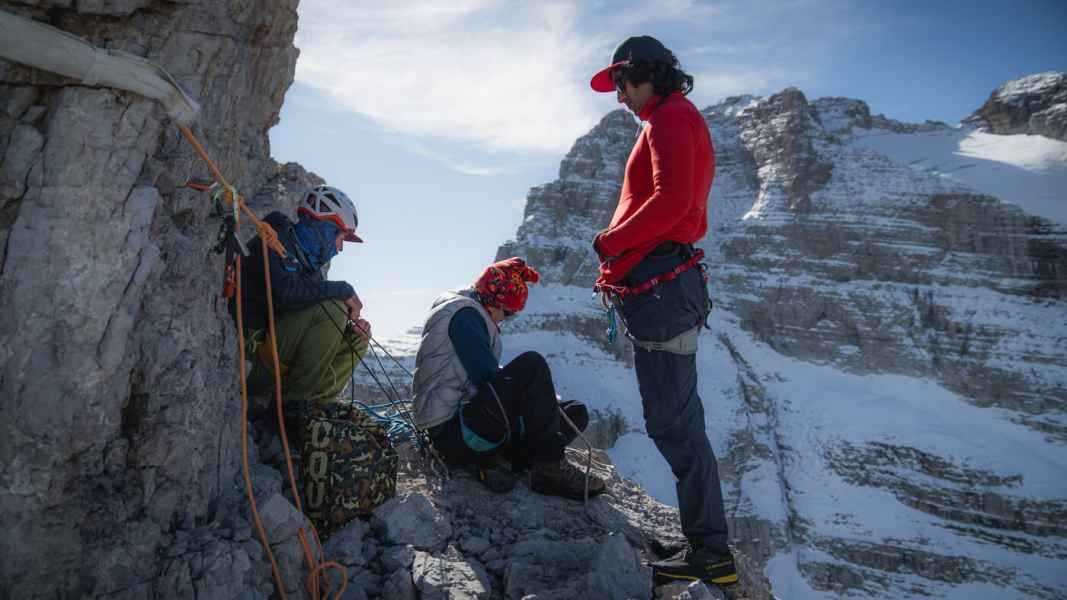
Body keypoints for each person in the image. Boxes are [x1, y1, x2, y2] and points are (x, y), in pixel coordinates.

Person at [588, 36, 736, 586]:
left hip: (661, 288)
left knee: (674, 423)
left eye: (621, 83)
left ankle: (710, 553)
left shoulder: (669, 119)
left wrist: (611, 242)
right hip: (661, 287)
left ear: (645, 73)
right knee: (676, 419)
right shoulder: (672, 117)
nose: (619, 96)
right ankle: (704, 542)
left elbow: (673, 201)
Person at [230, 184, 396, 534]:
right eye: (339, 237)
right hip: (250, 354)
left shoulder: (307, 268)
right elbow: (284, 293)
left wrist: (351, 326)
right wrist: (342, 290)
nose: (338, 247)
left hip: (273, 355)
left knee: (356, 337)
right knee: (333, 308)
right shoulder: (271, 236)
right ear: (322, 225)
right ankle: (292, 407)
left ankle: (314, 405)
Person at [411, 257, 605, 500]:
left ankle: (511, 459)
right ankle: (549, 469)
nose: (507, 318)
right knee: (532, 365)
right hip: (450, 431)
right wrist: (530, 399)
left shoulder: (472, 310)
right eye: (508, 311)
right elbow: (486, 376)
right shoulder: (465, 317)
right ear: (492, 300)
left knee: (575, 412)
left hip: (466, 420)